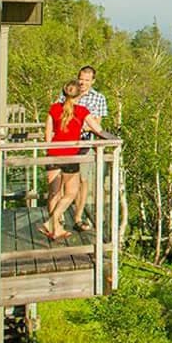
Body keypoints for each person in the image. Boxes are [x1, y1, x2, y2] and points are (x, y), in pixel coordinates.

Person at [40, 80, 105, 241]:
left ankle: (55, 228)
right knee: (71, 192)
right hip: (70, 156)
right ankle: (51, 223)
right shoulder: (82, 111)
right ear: (79, 95)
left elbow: (48, 134)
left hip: (53, 154)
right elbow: (98, 130)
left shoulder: (54, 109)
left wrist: (49, 151)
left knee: (54, 192)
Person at [58, 65, 108, 231]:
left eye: (87, 80)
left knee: (83, 181)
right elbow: (58, 116)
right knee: (65, 181)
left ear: (93, 81)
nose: (82, 83)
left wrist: (78, 124)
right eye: (81, 79)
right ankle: (59, 217)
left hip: (85, 144)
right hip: (65, 144)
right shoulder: (69, 93)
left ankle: (78, 217)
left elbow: (97, 125)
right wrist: (83, 123)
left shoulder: (99, 98)